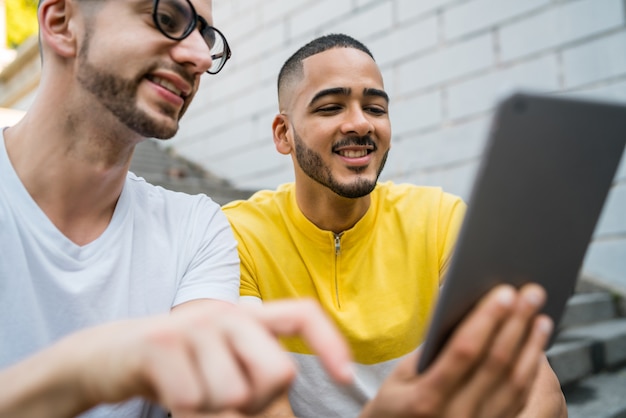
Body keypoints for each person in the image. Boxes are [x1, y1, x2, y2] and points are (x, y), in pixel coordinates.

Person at [0, 2, 354, 417]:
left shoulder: (196, 228)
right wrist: (84, 374)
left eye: (206, 38)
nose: (201, 58)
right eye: (166, 19)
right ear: (61, 23)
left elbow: (212, 401)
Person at [222, 33, 567, 417]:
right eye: (331, 107)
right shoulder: (238, 235)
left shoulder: (438, 219)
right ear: (283, 134)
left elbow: (540, 393)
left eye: (375, 108)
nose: (359, 123)